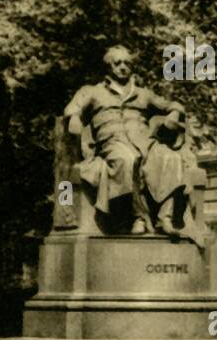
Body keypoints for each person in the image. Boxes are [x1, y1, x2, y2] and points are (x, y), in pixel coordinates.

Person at [63, 45, 197, 238]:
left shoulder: (143, 94)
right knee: (127, 160)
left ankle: (164, 218)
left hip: (145, 142)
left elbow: (173, 105)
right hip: (113, 142)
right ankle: (137, 217)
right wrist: (75, 118)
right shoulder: (92, 92)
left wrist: (174, 113)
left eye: (127, 63)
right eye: (118, 63)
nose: (123, 67)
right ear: (109, 66)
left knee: (171, 157)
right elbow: (71, 109)